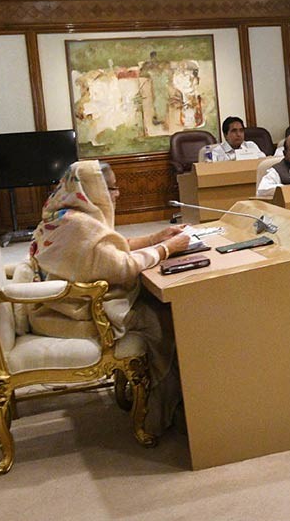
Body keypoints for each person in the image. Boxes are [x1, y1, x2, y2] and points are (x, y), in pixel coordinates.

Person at [29, 160, 190, 436]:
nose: (117, 194)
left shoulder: (63, 215)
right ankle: (160, 410)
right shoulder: (78, 226)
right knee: (161, 315)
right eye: (112, 188)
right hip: (75, 313)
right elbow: (121, 266)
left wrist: (157, 237)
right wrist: (166, 249)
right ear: (93, 190)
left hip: (60, 305)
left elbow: (111, 249)